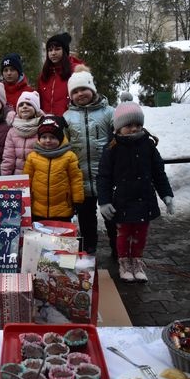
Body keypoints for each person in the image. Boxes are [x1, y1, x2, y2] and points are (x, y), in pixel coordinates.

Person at [97, 102, 174, 282]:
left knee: (140, 233)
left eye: (138, 125)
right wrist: (104, 201)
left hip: (144, 199)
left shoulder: (148, 146)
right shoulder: (111, 148)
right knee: (123, 234)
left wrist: (166, 195)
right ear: (118, 127)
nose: (134, 129)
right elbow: (103, 177)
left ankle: (136, 261)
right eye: (129, 125)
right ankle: (124, 262)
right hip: (122, 201)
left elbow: (158, 173)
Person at [63, 66, 115, 255]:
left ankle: (117, 246)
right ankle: (90, 246)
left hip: (106, 176)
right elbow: (64, 145)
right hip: (81, 177)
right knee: (86, 216)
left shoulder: (109, 112)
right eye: (75, 91)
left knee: (112, 214)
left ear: (92, 89)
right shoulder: (67, 118)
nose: (80, 94)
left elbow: (118, 137)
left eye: (83, 89)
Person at [23, 117, 84, 222]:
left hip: (62, 209)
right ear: (39, 138)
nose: (48, 140)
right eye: (44, 137)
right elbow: (27, 180)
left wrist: (77, 200)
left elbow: (76, 180)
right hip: (37, 209)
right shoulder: (32, 157)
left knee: (61, 237)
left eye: (52, 137)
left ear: (60, 138)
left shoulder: (69, 157)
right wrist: (25, 199)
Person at [37, 32, 84, 116]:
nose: (53, 53)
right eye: (50, 50)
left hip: (70, 122)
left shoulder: (76, 71)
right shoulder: (44, 74)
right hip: (47, 123)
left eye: (57, 49)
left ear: (65, 51)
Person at [1, 90, 43, 175]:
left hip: (37, 176)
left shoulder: (42, 128)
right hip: (18, 177)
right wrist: (4, 177)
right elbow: (8, 158)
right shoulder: (12, 131)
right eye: (21, 105)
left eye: (29, 104)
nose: (24, 107)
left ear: (36, 109)